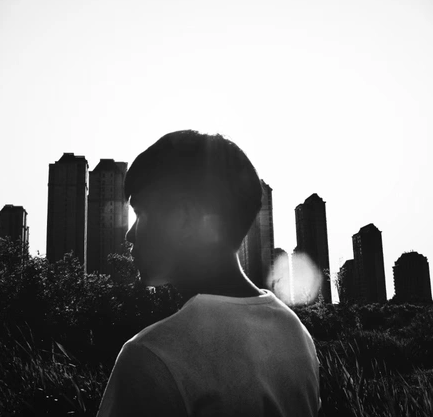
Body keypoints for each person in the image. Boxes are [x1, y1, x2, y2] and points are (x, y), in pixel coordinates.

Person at [96, 130, 320, 417]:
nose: (130, 234)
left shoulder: (151, 356)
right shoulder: (297, 335)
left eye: (140, 213)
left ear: (186, 219)